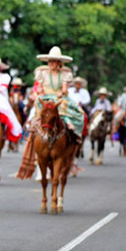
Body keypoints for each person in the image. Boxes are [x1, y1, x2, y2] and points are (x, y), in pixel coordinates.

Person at [16, 46, 86, 179]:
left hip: (59, 98)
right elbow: (40, 88)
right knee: (36, 109)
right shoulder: (42, 73)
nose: (52, 64)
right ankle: (32, 126)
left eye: (54, 61)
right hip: (45, 97)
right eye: (50, 61)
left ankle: (73, 131)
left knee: (79, 113)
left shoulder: (65, 74)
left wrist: (60, 93)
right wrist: (39, 93)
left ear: (59, 63)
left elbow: (64, 89)